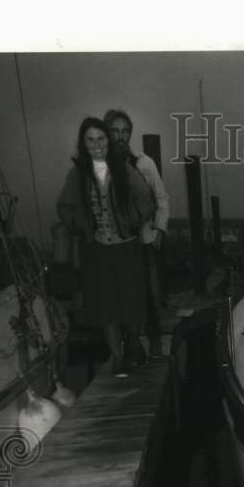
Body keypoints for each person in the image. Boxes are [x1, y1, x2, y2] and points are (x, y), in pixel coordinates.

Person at [57, 117, 155, 378]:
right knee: (107, 307)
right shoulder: (76, 174)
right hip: (97, 250)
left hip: (127, 247)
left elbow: (146, 199)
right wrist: (81, 225)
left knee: (132, 302)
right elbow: (64, 208)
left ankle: (134, 342)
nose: (96, 144)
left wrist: (134, 222)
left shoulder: (123, 169)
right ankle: (119, 356)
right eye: (90, 140)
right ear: (83, 143)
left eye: (101, 139)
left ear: (108, 141)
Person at [103, 109, 170, 358]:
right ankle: (128, 346)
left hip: (143, 240)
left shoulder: (144, 162)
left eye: (125, 131)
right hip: (113, 244)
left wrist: (159, 232)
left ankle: (155, 345)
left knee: (151, 294)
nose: (121, 136)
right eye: (115, 131)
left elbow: (162, 198)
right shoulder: (100, 166)